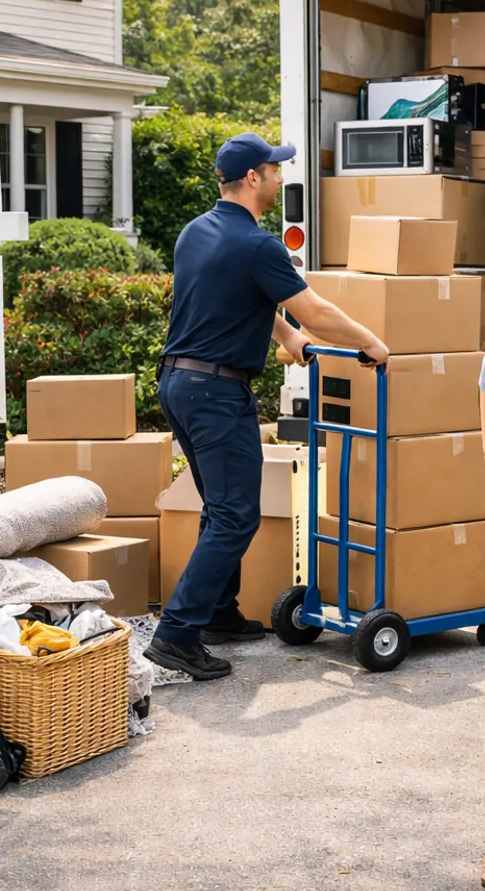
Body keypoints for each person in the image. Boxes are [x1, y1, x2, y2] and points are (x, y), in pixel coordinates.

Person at [144, 133, 389, 681]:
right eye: (274, 169)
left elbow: (242, 298)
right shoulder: (259, 244)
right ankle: (176, 636)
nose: (281, 176)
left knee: (219, 506)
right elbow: (317, 310)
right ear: (252, 178)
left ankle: (216, 616)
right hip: (215, 392)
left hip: (179, 383)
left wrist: (289, 336)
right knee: (235, 516)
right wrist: (370, 344)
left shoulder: (195, 233)